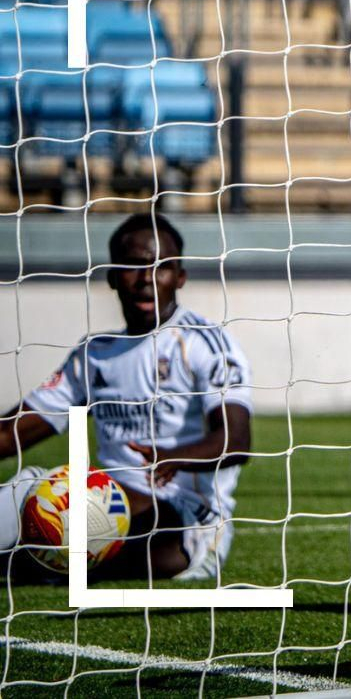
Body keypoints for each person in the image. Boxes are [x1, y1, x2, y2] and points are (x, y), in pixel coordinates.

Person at [0, 213, 253, 582]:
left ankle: (41, 565)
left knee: (126, 523)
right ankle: (49, 559)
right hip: (102, 499)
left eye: (162, 267)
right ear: (112, 277)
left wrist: (172, 457)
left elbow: (237, 441)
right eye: (133, 266)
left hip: (185, 515)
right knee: (31, 490)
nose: (147, 279)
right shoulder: (96, 354)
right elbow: (12, 434)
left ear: (180, 277)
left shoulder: (204, 343)